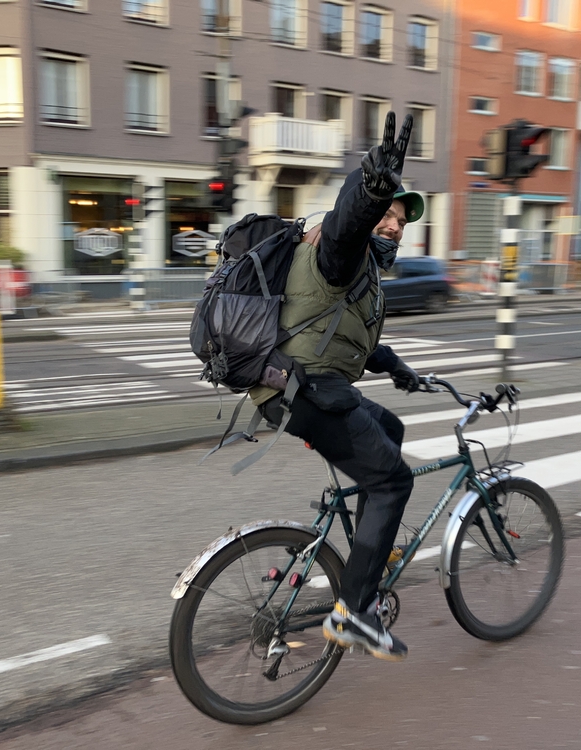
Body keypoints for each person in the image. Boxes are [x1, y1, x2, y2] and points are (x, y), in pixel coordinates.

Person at [249, 112, 424, 662]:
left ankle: (368, 547)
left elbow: (344, 337)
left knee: (390, 427)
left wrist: (396, 367)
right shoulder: (339, 248)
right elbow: (348, 222)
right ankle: (352, 613)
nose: (395, 225)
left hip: (312, 385)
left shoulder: (361, 274)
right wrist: (369, 191)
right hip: (306, 391)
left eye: (401, 219)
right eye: (388, 215)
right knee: (394, 482)